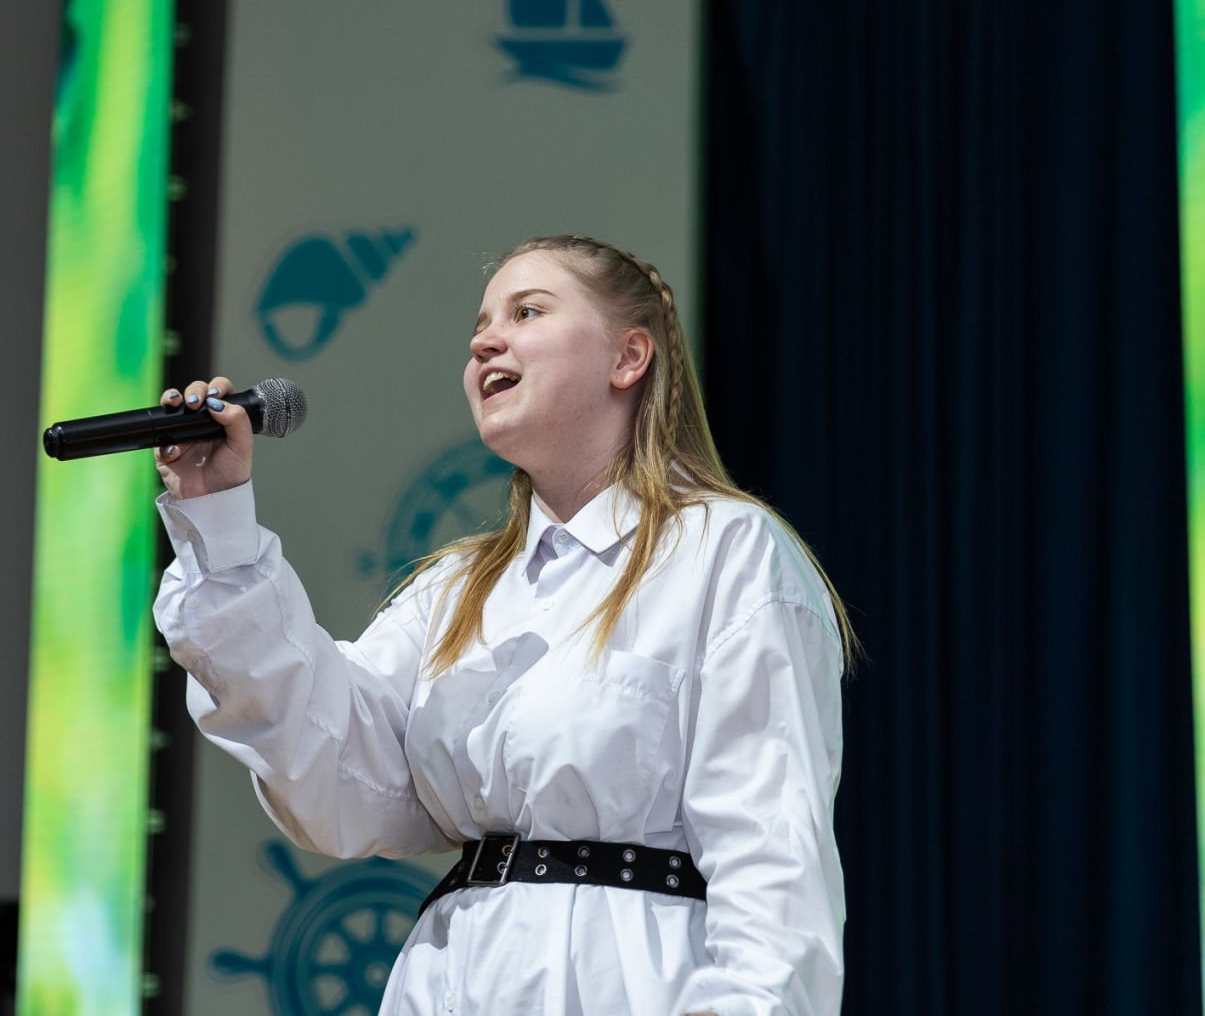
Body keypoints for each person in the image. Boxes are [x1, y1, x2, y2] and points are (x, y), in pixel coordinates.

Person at [153, 235, 854, 1016]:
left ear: (628, 357)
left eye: (527, 313)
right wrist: (218, 518)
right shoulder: (457, 590)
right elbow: (331, 772)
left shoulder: (725, 552)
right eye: (479, 326)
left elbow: (773, 862)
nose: (486, 341)